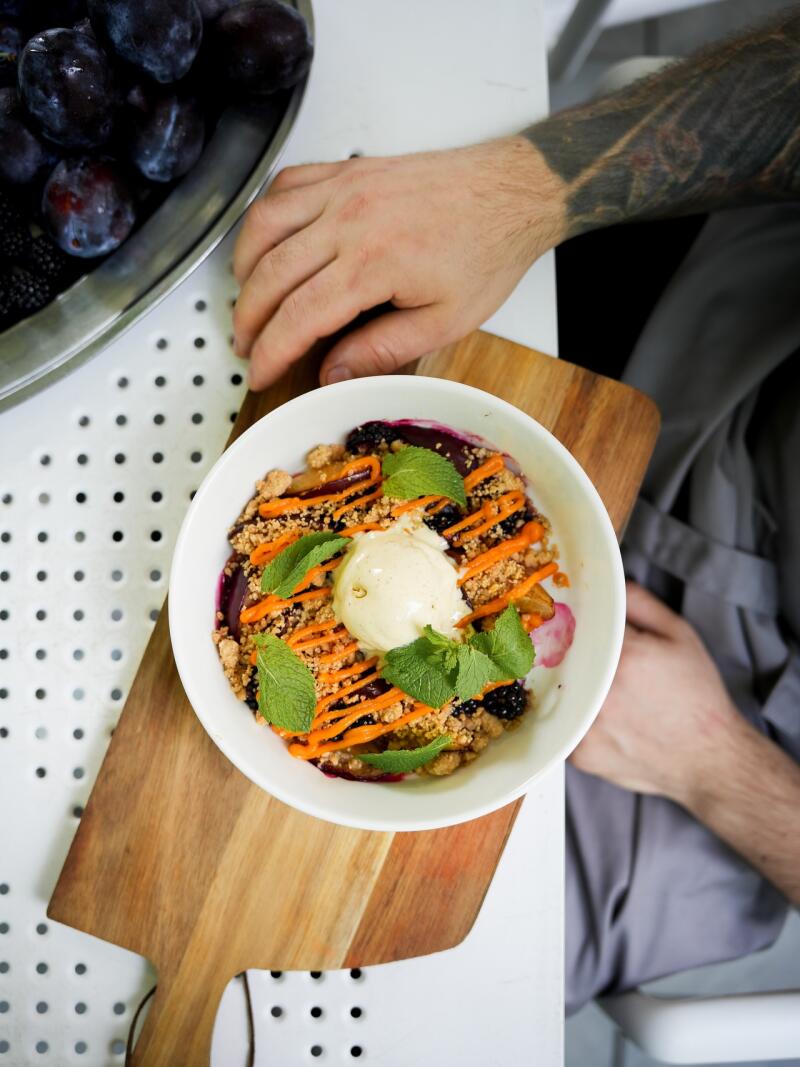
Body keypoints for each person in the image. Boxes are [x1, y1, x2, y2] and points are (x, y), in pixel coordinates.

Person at [231, 8, 800, 1012]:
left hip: (747, 779)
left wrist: (720, 769)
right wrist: (521, 191)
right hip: (725, 365)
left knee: (422, 975)